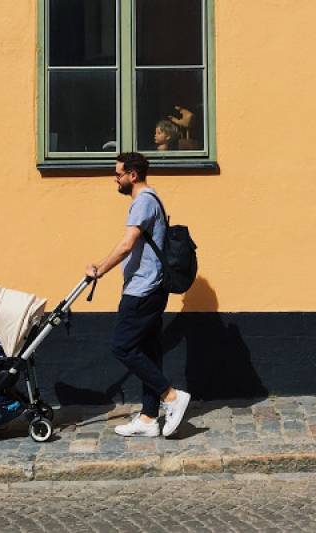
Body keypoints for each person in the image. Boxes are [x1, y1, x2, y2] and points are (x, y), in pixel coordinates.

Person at [85, 152, 191, 437]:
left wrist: (99, 269)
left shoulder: (143, 202)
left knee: (123, 347)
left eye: (118, 174)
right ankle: (148, 418)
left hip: (143, 289)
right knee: (149, 351)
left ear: (133, 175)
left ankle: (171, 396)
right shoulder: (153, 199)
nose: (115, 180)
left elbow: (126, 244)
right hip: (153, 288)